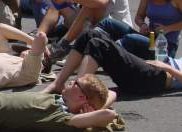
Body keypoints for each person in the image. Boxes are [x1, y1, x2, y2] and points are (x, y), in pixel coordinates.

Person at [43, 27, 182, 97]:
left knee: (99, 45)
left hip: (158, 79)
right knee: (90, 34)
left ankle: (78, 93)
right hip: (159, 66)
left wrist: (168, 68)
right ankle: (58, 84)